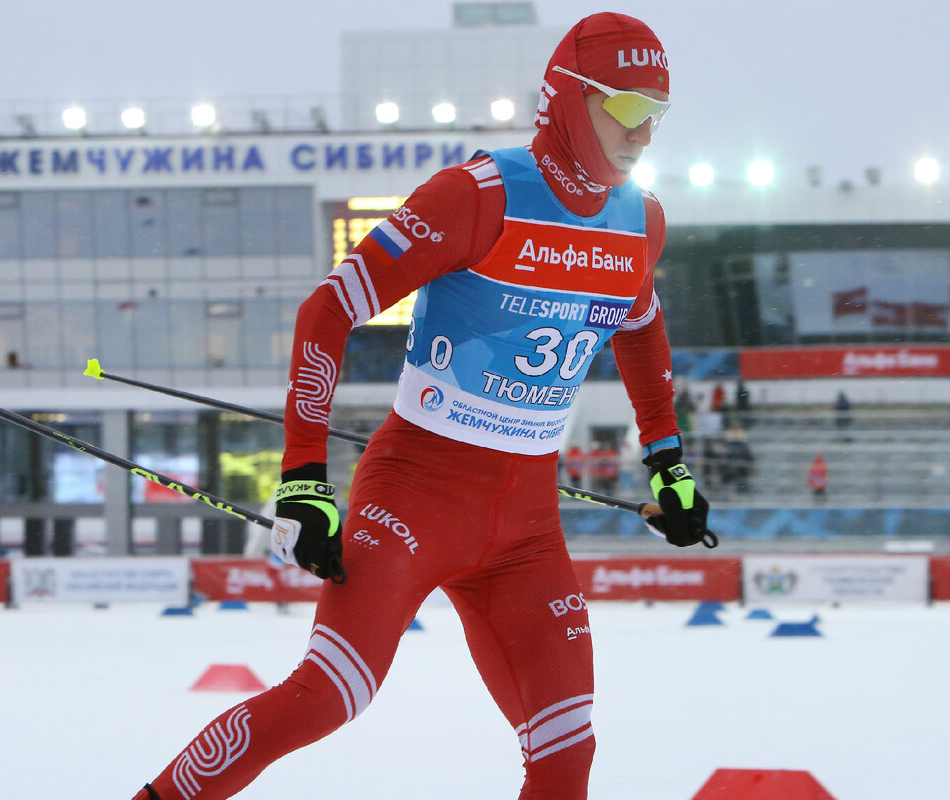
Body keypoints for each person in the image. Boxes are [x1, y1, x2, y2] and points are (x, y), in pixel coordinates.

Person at [132, 13, 714, 800]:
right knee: (328, 697)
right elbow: (326, 312)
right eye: (628, 107)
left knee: (567, 752)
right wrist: (305, 479)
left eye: (659, 113)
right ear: (572, 97)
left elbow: (642, 329)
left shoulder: (640, 220)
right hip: (413, 499)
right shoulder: (478, 194)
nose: (645, 132)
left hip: (528, 531)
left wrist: (667, 462)